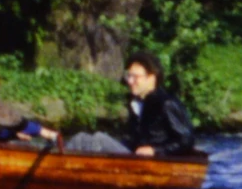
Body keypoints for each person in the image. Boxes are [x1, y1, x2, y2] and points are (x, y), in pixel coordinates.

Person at [65, 51, 196, 157]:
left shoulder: (167, 103)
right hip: (134, 156)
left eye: (135, 77)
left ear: (151, 78)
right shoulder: (136, 103)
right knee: (81, 138)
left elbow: (186, 140)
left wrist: (155, 150)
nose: (130, 81)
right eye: (129, 76)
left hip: (154, 161)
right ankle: (55, 164)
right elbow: (132, 139)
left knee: (99, 140)